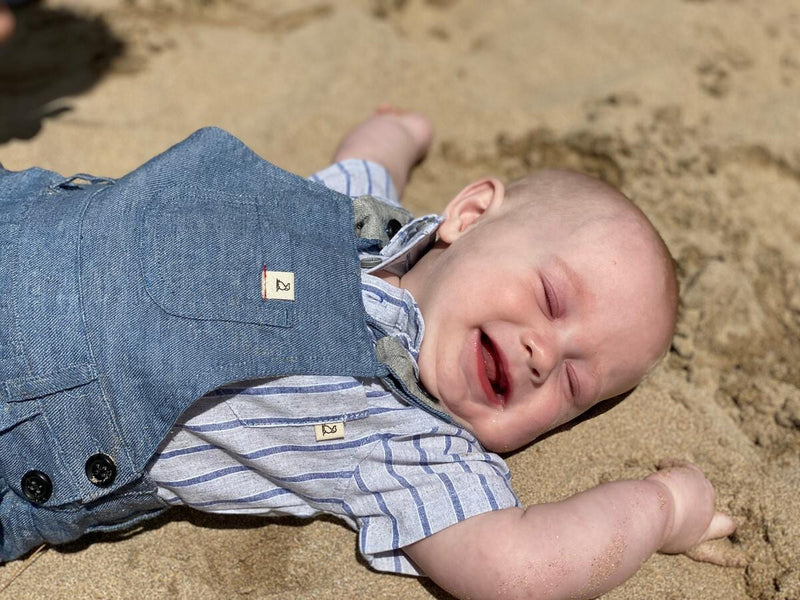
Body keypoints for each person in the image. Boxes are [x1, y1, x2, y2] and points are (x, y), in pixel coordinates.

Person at [0, 107, 738, 599]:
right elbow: (369, 162)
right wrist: (399, 131)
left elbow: (521, 568)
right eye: (550, 298)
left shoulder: (412, 448)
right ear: (469, 215)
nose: (544, 354)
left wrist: (661, 508)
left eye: (574, 383)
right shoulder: (349, 218)